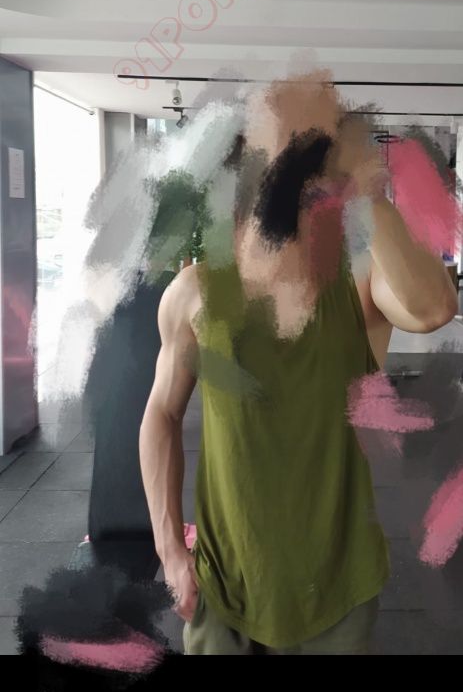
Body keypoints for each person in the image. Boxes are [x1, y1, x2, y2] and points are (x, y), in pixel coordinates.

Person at [139, 77, 458, 655]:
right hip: (225, 583)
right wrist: (169, 552)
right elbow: (161, 413)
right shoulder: (195, 292)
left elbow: (434, 308)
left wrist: (371, 194)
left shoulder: (358, 283)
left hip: (337, 586)